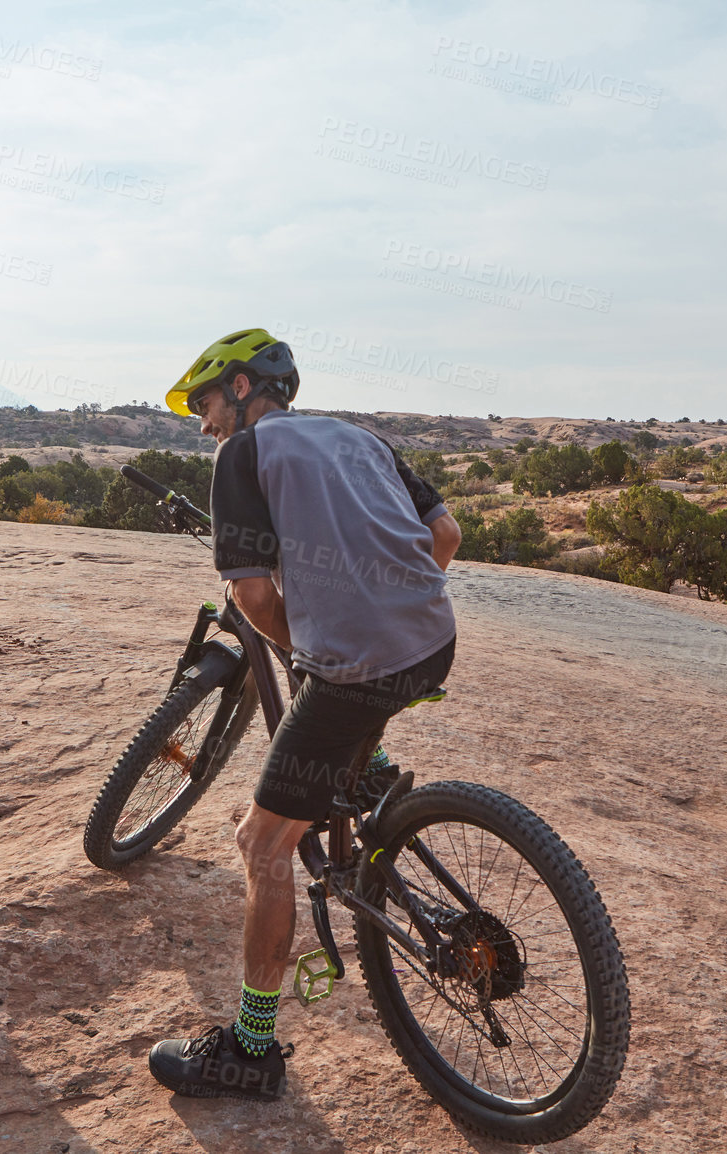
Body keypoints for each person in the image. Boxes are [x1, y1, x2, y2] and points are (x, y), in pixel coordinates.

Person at [147, 329, 461, 1100]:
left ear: (248, 390)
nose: (203, 421)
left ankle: (250, 1051)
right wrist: (390, 600)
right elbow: (445, 535)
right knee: (355, 720)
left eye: (208, 402)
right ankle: (370, 782)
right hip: (432, 641)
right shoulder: (363, 437)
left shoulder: (243, 458)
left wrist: (310, 643)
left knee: (262, 844)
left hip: (356, 669)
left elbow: (253, 598)